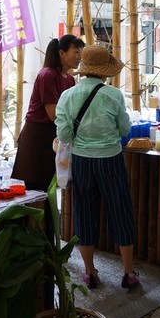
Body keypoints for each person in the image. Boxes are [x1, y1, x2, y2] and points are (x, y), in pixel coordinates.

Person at [55, 44, 137, 290]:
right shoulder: (113, 95)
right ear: (105, 71)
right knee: (120, 212)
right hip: (110, 159)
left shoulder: (67, 96)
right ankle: (128, 273)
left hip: (81, 161)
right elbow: (125, 130)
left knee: (85, 214)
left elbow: (65, 134)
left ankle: (90, 272)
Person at [13, 34, 84, 191]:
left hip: (55, 136)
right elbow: (53, 113)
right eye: (76, 52)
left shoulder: (70, 79)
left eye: (81, 52)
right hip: (38, 137)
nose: (80, 56)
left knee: (51, 189)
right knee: (36, 190)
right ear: (62, 53)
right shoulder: (48, 75)